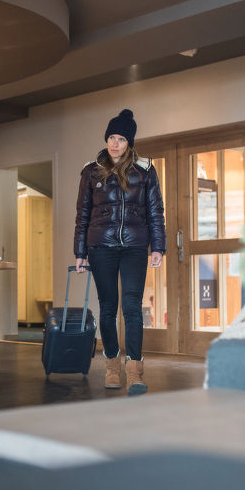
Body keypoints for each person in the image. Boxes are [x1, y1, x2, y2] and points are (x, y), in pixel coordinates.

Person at [73, 109, 166, 395]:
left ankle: (135, 370)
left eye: (121, 139)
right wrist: (80, 251)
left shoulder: (145, 170)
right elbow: (82, 213)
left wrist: (158, 246)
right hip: (100, 246)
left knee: (132, 308)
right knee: (108, 308)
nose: (115, 144)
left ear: (129, 143)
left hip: (134, 247)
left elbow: (155, 212)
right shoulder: (91, 171)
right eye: (111, 137)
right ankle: (112, 367)